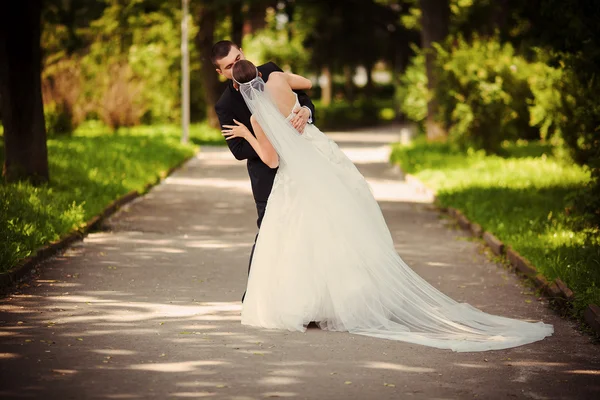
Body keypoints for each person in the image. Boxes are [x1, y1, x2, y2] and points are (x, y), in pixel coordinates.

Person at [221, 59, 554, 352]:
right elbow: (306, 85)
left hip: (296, 173)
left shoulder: (257, 118)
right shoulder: (278, 78)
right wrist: (304, 109)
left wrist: (248, 135)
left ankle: (319, 305)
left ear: (238, 85)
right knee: (344, 223)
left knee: (306, 233)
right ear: (261, 73)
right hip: (321, 153)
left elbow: (272, 159)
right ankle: (345, 302)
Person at [212, 41, 316, 302]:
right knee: (270, 232)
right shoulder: (225, 104)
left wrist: (306, 111)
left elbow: (302, 98)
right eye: (228, 66)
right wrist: (273, 140)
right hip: (266, 175)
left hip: (303, 163)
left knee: (309, 227)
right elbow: (237, 149)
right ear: (221, 72)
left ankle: (309, 297)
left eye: (238, 59)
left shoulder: (270, 71)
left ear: (242, 53)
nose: (236, 66)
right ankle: (259, 298)